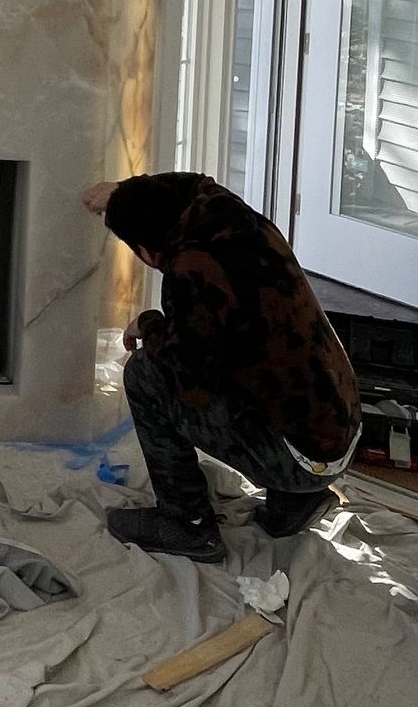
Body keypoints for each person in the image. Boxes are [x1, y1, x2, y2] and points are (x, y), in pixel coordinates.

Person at [83, 169, 359, 562]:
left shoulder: (192, 272)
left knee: (145, 373)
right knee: (255, 366)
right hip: (338, 432)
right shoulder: (224, 211)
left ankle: (187, 524)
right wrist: (123, 192)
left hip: (301, 458)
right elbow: (194, 181)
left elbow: (191, 384)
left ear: (145, 252)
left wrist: (149, 324)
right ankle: (296, 502)